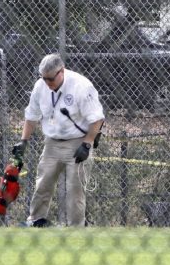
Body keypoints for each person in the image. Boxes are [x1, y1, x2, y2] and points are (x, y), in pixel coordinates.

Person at [12, 53, 105, 227]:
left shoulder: (81, 86)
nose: (47, 83)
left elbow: (97, 118)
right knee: (43, 182)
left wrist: (87, 144)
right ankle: (36, 220)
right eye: (44, 79)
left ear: (61, 71)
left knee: (75, 189)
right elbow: (31, 116)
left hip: (78, 142)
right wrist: (23, 141)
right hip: (52, 142)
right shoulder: (41, 86)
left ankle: (76, 227)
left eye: (50, 79)